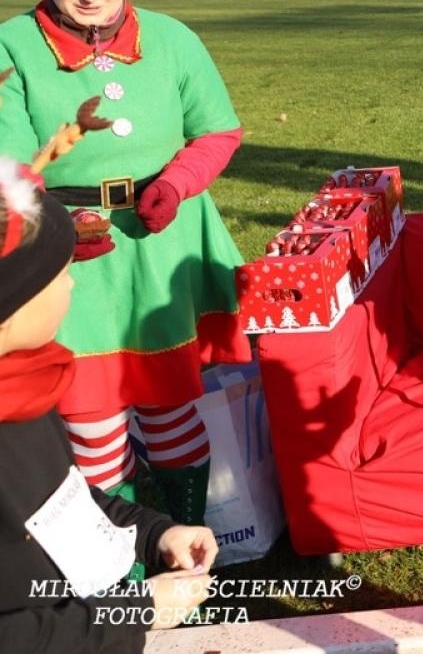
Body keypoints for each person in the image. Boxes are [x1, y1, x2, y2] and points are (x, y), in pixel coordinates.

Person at [0, 0, 250, 526]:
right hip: (66, 259)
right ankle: (125, 565)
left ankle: (189, 546)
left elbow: (216, 131)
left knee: (170, 404)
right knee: (91, 416)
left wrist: (178, 182)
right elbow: (7, 166)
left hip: (158, 240)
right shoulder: (11, 48)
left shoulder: (172, 39)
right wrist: (53, 227)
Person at [1, 136, 219, 648]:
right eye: (57, 275)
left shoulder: (26, 384)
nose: (72, 286)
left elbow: (59, 504)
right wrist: (132, 612)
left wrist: (151, 533)